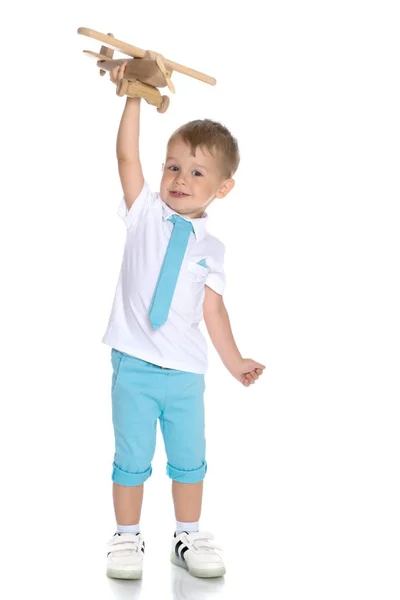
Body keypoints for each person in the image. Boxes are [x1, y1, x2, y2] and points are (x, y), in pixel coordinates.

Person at [102, 62, 265, 580]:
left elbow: (213, 311)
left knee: (190, 460)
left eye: (197, 172)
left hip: (187, 373)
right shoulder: (145, 213)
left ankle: (187, 535)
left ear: (222, 188)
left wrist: (235, 361)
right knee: (131, 458)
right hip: (135, 365)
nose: (180, 179)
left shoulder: (211, 249)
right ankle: (126, 539)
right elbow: (126, 155)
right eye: (173, 166)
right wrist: (135, 95)